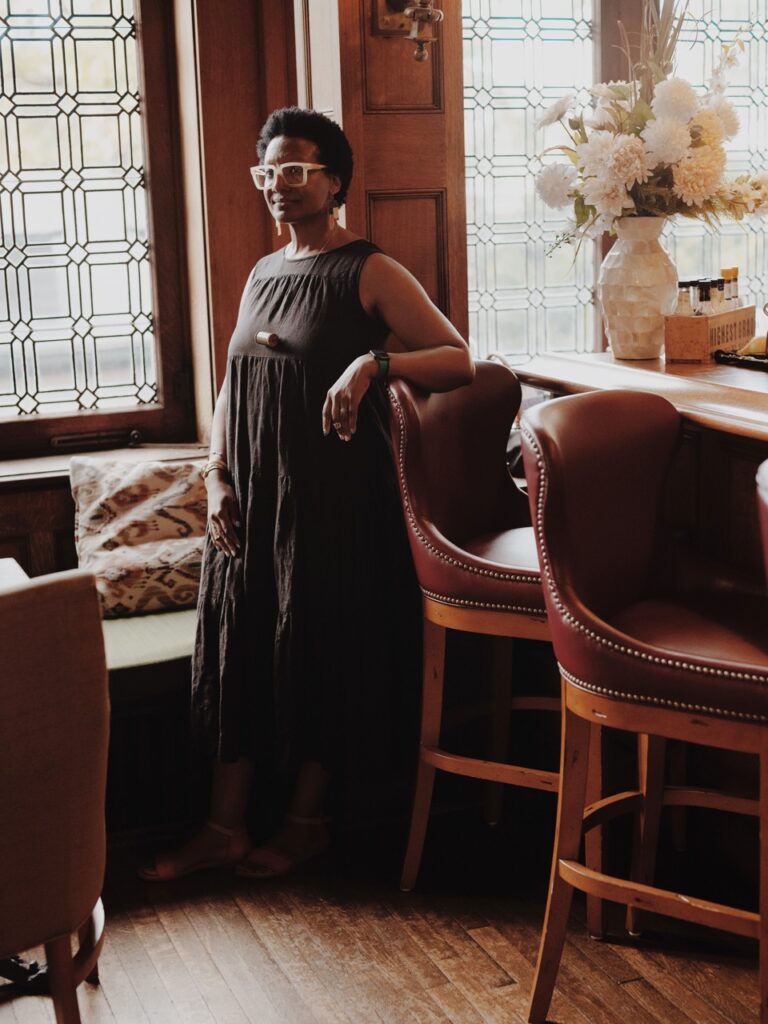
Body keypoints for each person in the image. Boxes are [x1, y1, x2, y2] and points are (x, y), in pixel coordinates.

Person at [139, 107, 474, 881]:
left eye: (295, 171)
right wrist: (215, 475)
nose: (278, 186)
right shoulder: (262, 272)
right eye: (268, 173)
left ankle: (306, 823)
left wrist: (371, 367)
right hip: (248, 503)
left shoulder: (369, 270)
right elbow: (230, 389)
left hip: (331, 504)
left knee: (318, 653)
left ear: (335, 180)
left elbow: (456, 359)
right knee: (241, 654)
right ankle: (222, 829)